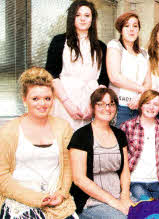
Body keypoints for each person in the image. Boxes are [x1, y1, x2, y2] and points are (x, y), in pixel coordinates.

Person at [0, 67, 76, 218]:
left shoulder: (64, 127)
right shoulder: (9, 130)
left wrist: (61, 194)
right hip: (20, 203)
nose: (42, 104)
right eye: (35, 99)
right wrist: (36, 199)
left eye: (47, 98)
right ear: (24, 99)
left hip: (57, 204)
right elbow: (2, 176)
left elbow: (68, 168)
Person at [45, 0, 108, 131]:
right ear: (71, 18)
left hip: (91, 101)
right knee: (63, 138)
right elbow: (52, 75)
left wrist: (93, 105)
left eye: (87, 15)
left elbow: (103, 79)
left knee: (87, 143)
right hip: (64, 99)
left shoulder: (101, 46)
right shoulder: (59, 41)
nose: (82, 19)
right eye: (78, 15)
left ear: (92, 19)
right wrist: (67, 104)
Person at [69, 88, 132, 218]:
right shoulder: (80, 135)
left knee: (147, 214)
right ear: (92, 107)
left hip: (119, 196)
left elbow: (125, 170)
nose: (107, 108)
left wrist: (125, 197)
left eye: (111, 104)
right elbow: (79, 179)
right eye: (101, 104)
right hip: (91, 201)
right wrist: (114, 202)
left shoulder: (120, 134)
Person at [120, 90, 159, 201]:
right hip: (135, 181)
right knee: (146, 204)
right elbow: (121, 159)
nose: (151, 107)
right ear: (141, 105)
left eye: (155, 104)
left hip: (156, 181)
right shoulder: (127, 126)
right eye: (147, 103)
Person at [107, 12, 151, 127]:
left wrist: (140, 97)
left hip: (140, 107)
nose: (131, 29)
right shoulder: (115, 45)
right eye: (127, 26)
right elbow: (114, 77)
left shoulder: (144, 53)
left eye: (135, 26)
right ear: (121, 29)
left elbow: (148, 82)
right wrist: (141, 90)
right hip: (120, 107)